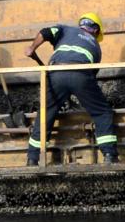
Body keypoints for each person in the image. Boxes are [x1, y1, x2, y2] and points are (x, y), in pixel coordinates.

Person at [23, 12, 118, 166]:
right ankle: (109, 155)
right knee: (102, 112)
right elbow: (88, 79)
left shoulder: (65, 30)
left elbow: (46, 32)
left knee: (45, 114)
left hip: (56, 74)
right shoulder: (96, 46)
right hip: (81, 74)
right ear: (96, 30)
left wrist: (32, 47)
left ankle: (33, 159)